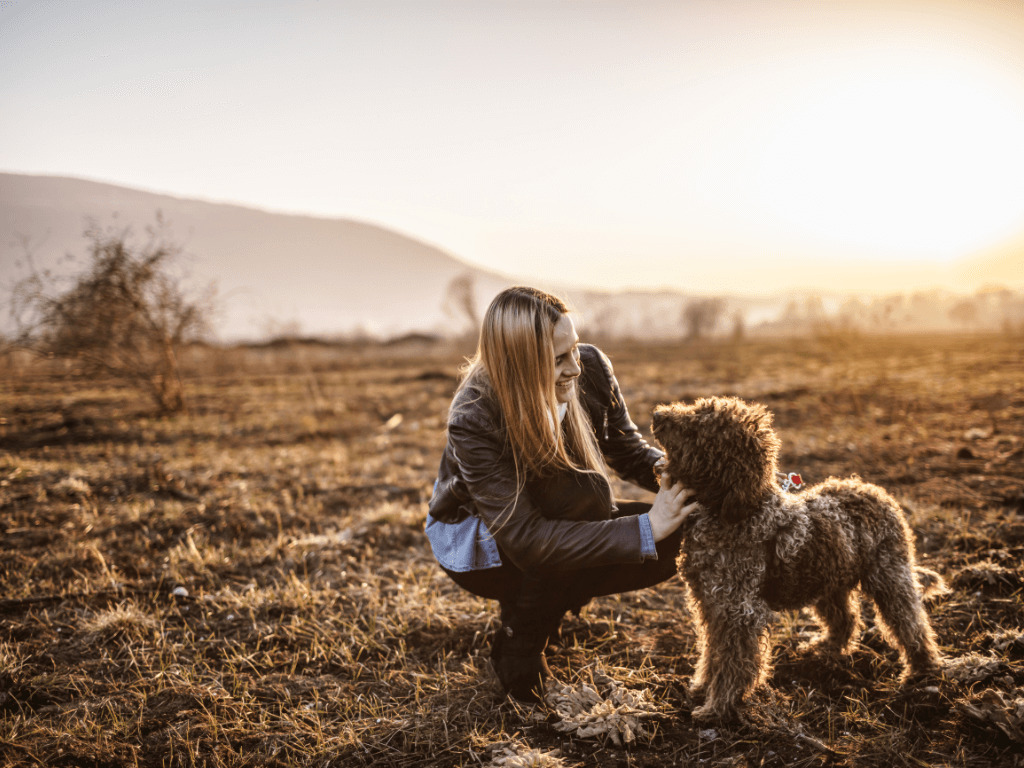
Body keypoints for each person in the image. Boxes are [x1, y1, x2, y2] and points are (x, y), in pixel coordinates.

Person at [425, 286, 697, 702]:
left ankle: (549, 604)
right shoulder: (475, 414)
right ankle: (521, 640)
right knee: (585, 495)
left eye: (573, 348)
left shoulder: (590, 365)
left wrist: (691, 478)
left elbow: (626, 450)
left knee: (674, 540)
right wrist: (647, 525)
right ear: (519, 364)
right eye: (557, 360)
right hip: (478, 543)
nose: (575, 367)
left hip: (550, 521)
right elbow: (528, 540)